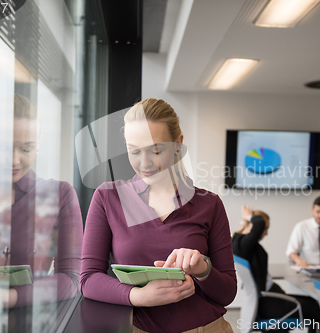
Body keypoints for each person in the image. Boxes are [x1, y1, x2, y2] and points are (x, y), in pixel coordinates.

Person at [80, 98, 236, 333]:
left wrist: (203, 270)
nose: (145, 163)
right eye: (134, 152)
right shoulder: (107, 197)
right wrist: (138, 296)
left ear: (178, 145)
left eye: (156, 150)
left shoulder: (209, 204)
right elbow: (88, 279)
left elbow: (227, 293)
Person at [3, 94, 84, 307]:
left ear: (38, 143)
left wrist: (6, 298)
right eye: (4, 147)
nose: (14, 160)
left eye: (26, 149)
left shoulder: (60, 194)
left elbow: (72, 278)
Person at [233, 205, 320, 333]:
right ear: (253, 224)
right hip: (268, 303)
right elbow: (259, 223)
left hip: (268, 299)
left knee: (312, 301)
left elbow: (257, 225)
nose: (266, 233)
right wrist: (249, 217)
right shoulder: (243, 245)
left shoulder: (238, 241)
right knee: (317, 308)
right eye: (265, 229)